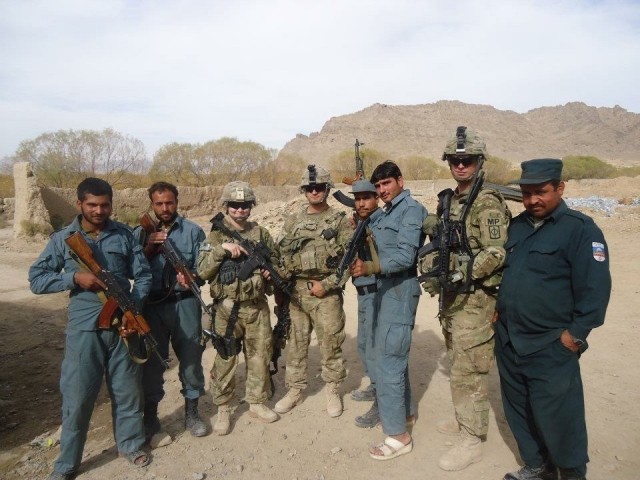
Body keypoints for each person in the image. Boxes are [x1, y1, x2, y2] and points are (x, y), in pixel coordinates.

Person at [29, 178, 153, 480]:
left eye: (104, 204)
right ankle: (67, 463)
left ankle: (131, 444)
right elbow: (36, 279)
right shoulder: (64, 239)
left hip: (122, 327)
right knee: (78, 397)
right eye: (92, 205)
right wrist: (74, 279)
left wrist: (132, 311)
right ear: (79, 204)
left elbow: (144, 275)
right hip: (84, 330)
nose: (99, 210)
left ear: (111, 204)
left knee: (127, 392)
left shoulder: (123, 234)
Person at [495, 159, 611, 480]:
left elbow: (595, 291)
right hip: (509, 339)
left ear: (560, 188)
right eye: (527, 193)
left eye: (541, 192)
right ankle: (536, 466)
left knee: (561, 417)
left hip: (550, 344)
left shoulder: (581, 229)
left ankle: (572, 473)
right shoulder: (517, 226)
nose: (533, 200)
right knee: (518, 409)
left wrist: (574, 336)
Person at [418, 127, 510, 471]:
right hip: (452, 299)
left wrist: (464, 273)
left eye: (467, 160)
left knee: (468, 369)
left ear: (479, 161)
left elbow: (496, 252)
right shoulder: (450, 200)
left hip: (474, 298)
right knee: (457, 360)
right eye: (455, 160)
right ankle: (465, 420)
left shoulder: (487, 202)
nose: (460, 166)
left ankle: (471, 439)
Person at [351, 160, 427, 460]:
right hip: (386, 292)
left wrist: (370, 265)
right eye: (378, 186)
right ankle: (405, 414)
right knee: (393, 358)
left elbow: (406, 256)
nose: (382, 190)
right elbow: (377, 239)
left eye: (387, 184)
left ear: (400, 181)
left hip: (400, 292)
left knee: (388, 362)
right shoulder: (387, 212)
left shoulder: (410, 210)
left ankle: (397, 436)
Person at [197, 181, 280, 435]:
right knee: (225, 358)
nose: (240, 210)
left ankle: (256, 402)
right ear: (227, 206)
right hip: (226, 309)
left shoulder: (261, 234)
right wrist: (221, 251)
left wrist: (269, 272)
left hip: (256, 308)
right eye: (234, 205)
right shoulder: (215, 235)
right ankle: (223, 408)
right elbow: (203, 271)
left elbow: (277, 263)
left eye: (245, 205)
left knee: (259, 356)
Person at [274, 165, 352, 418]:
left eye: (319, 187)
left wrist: (326, 285)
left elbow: (348, 262)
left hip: (325, 294)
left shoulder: (339, 221)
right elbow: (281, 254)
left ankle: (332, 388)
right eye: (310, 188)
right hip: (297, 293)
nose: (314, 192)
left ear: (327, 189)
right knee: (296, 344)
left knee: (331, 342)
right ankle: (295, 389)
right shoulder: (293, 221)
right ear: (304, 191)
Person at [134, 181, 207, 442]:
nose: (165, 208)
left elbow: (204, 268)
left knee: (191, 358)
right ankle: (151, 419)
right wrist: (149, 248)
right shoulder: (140, 233)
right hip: (152, 307)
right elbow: (130, 268)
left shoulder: (193, 232)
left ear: (177, 202)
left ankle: (192, 413)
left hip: (185, 302)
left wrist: (193, 277)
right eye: (159, 203)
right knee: (153, 365)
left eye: (170, 203)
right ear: (152, 204)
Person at [347, 180, 383, 428]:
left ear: (377, 198)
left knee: (378, 349)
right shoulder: (362, 222)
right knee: (364, 344)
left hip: (379, 291)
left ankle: (383, 403)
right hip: (363, 291)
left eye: (366, 198)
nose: (361, 203)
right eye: (357, 198)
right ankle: (375, 385)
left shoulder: (382, 222)